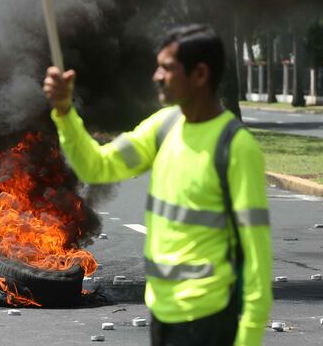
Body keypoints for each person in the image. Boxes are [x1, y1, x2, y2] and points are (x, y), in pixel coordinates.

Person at [43, 24, 272, 346]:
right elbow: (96, 167)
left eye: (167, 68)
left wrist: (248, 335)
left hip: (210, 319)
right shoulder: (164, 126)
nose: (156, 76)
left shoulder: (235, 147)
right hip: (163, 315)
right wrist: (65, 113)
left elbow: (256, 253)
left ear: (200, 74)